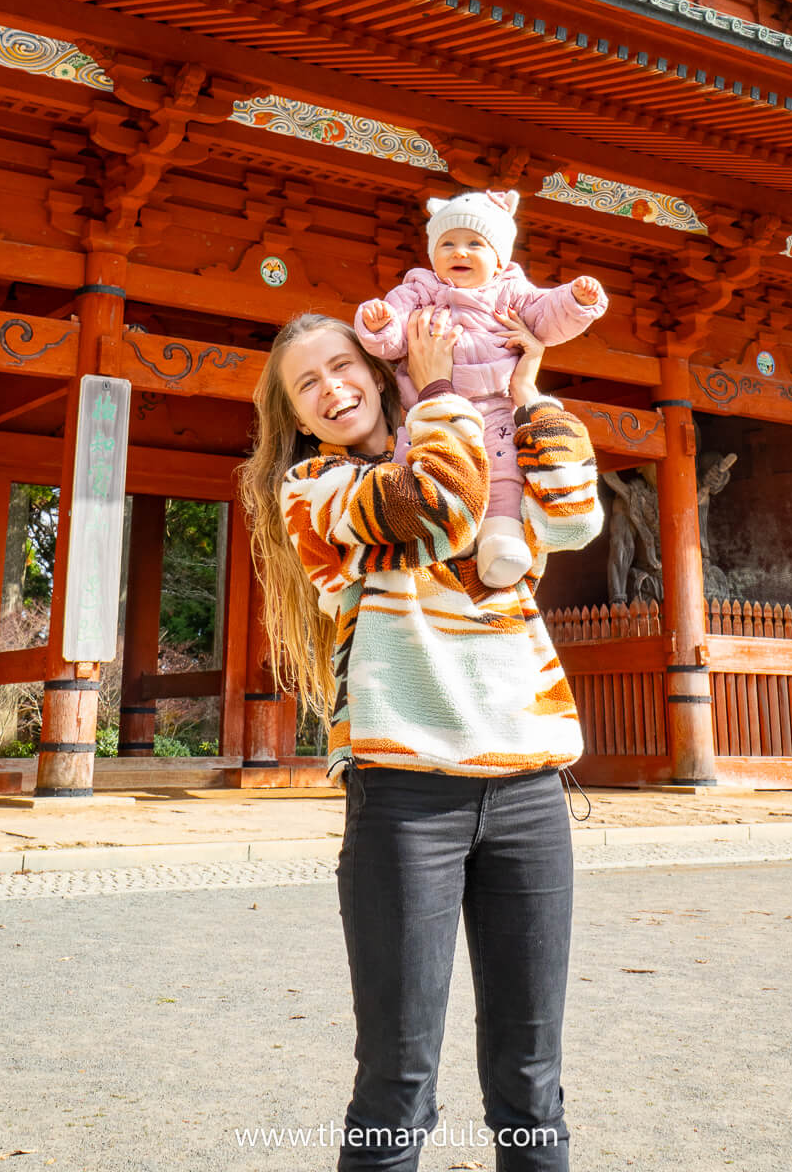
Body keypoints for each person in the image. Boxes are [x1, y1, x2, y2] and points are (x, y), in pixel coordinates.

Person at [239, 304, 604, 1172]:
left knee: (533, 1079)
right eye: (308, 384)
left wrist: (526, 399)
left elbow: (575, 516)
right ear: (292, 416)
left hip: (528, 790)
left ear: (375, 368)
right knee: (398, 1081)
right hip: (407, 799)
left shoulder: (481, 450)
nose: (332, 389)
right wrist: (443, 388)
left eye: (343, 367)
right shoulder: (313, 492)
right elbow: (437, 512)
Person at [354, 189, 606, 588]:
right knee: (423, 460)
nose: (461, 252)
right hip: (429, 407)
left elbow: (545, 316)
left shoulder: (510, 292)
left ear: (501, 259)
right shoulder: (420, 290)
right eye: (448, 243)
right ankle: (436, 528)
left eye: (475, 243)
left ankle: (500, 540)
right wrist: (378, 323)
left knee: (502, 470)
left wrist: (574, 301)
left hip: (496, 407)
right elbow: (396, 334)